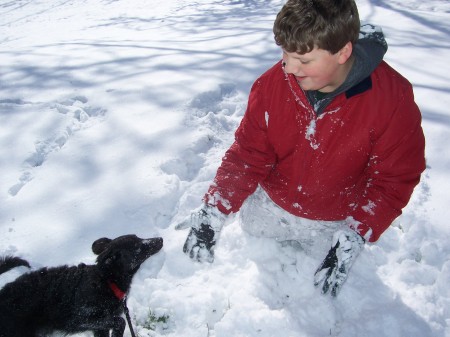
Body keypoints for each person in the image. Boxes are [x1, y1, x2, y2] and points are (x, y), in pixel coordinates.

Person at [176, 0, 426, 297]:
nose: (289, 68)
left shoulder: (391, 98)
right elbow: (248, 154)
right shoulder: (271, 85)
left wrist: (355, 233)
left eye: (304, 61)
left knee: (319, 294)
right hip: (270, 206)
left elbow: (393, 178)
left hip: (332, 222)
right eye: (285, 54)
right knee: (256, 253)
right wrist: (214, 209)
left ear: (343, 52)